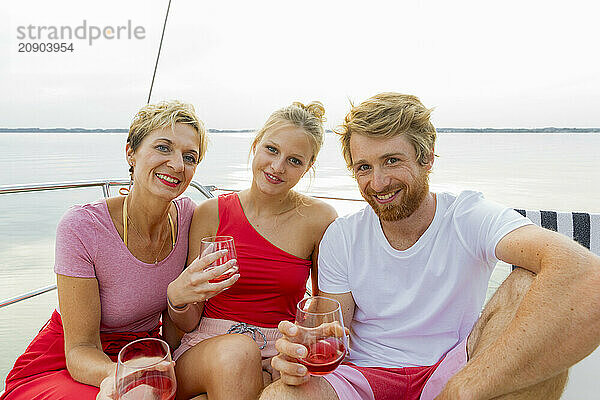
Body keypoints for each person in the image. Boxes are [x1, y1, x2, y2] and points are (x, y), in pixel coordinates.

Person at [261, 93, 600, 400]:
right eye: (364, 167)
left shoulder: (468, 216)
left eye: (392, 160)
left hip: (452, 367)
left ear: (427, 159)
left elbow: (588, 276)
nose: (377, 183)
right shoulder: (342, 236)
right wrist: (299, 354)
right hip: (364, 375)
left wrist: (461, 389)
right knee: (280, 396)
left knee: (528, 282)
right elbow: (335, 333)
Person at [0, 100, 257, 400]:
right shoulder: (82, 227)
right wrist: (117, 375)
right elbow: (80, 349)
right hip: (73, 362)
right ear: (131, 153)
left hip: (148, 353)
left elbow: (182, 319)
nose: (177, 164)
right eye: (163, 147)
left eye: (190, 156)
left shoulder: (190, 216)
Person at [164, 101, 338, 399]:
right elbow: (190, 318)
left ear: (308, 168)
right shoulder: (210, 213)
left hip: (278, 346)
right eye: (271, 149)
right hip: (207, 343)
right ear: (256, 145)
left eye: (294, 161)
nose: (277, 166)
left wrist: (296, 350)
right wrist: (177, 300)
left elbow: (322, 307)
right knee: (237, 353)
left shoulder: (319, 219)